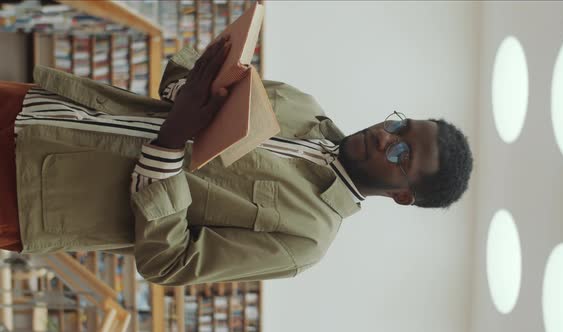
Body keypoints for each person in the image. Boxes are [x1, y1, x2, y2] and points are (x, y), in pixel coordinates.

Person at [0, 37, 473, 286]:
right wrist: (193, 87)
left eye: (401, 154)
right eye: (398, 127)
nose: (383, 137)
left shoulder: (305, 241)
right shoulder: (302, 106)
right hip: (44, 108)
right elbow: (183, 83)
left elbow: (169, 263)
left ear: (403, 195)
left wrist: (172, 140)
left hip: (31, 193)